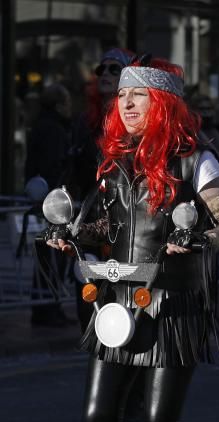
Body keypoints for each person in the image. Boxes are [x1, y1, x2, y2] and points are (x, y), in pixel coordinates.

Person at [47, 57, 219, 422]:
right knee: (98, 418)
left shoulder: (194, 159)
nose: (127, 104)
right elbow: (97, 228)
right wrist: (70, 235)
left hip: (173, 305)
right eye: (121, 97)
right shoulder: (112, 161)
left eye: (138, 96)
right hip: (116, 302)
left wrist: (196, 237)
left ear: (163, 104)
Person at [68, 48, 135, 332]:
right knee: (88, 298)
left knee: (126, 303)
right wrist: (61, 206)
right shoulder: (87, 122)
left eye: (114, 69)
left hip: (131, 223)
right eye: (101, 70)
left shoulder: (140, 122)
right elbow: (73, 171)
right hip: (91, 224)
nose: (105, 74)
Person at [25, 83, 73, 327]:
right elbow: (55, 166)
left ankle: (44, 307)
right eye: (66, 102)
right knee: (55, 255)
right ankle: (48, 308)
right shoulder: (54, 130)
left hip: (47, 200)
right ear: (58, 105)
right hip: (54, 204)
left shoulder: (41, 126)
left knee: (48, 254)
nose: (70, 107)